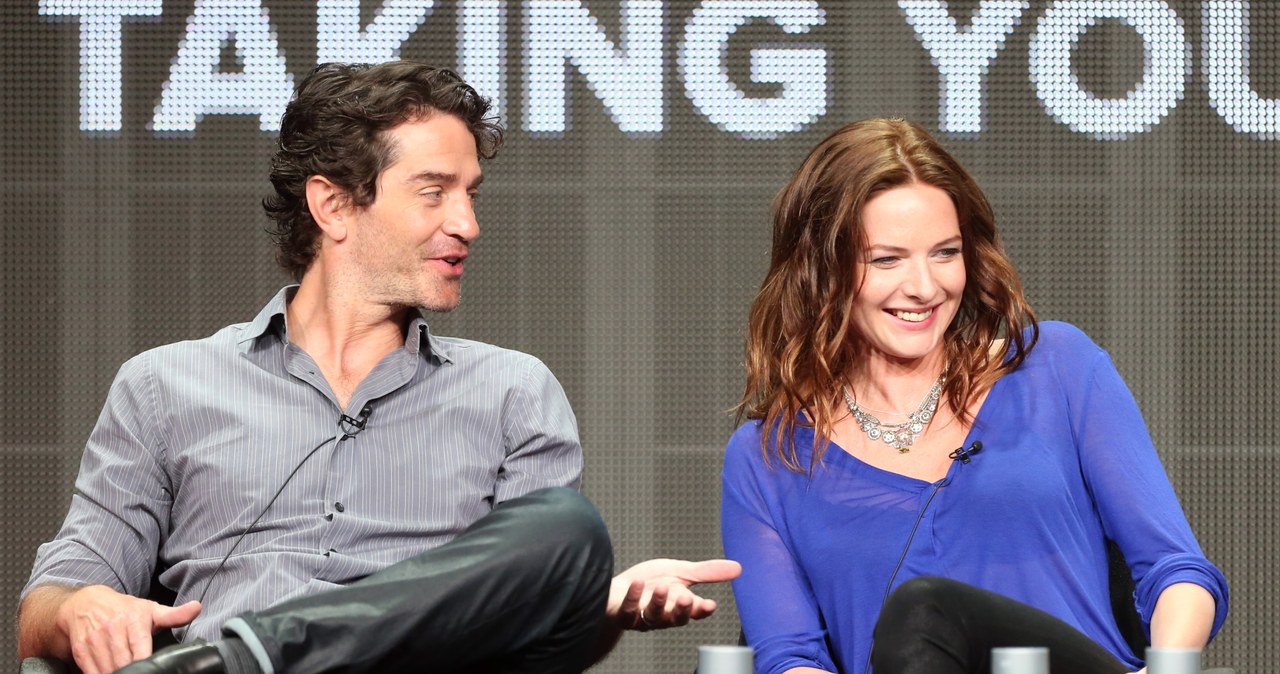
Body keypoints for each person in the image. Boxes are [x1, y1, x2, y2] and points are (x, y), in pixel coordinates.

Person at [19, 61, 740, 674]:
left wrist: (600, 602)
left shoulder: (511, 393)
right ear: (333, 205)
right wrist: (82, 606)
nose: (468, 224)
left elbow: (538, 638)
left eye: (471, 193)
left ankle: (246, 657)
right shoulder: (165, 387)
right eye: (434, 191)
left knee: (568, 530)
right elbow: (45, 609)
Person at [720, 118, 1228, 674]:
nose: (925, 286)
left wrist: (1169, 669)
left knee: (924, 611)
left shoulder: (1055, 366)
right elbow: (790, 657)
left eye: (945, 252)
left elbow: (1177, 570)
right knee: (921, 618)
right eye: (886, 259)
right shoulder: (768, 456)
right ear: (820, 270)